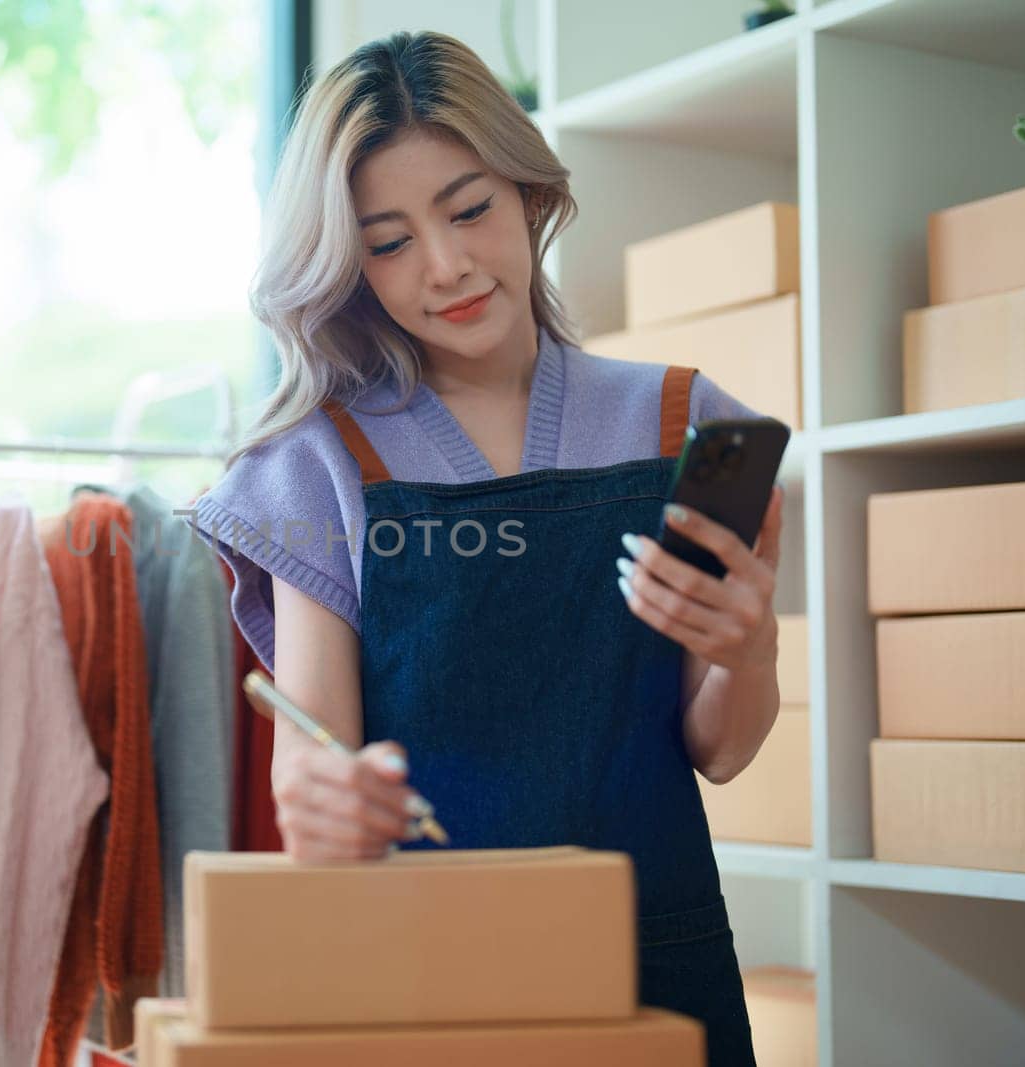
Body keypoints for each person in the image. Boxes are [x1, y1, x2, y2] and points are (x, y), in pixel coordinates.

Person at [186, 30, 782, 1066]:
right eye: (388, 240)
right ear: (347, 266)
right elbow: (308, 782)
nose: (447, 264)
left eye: (469, 210)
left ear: (530, 196)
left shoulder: (681, 424)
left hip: (656, 963)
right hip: (418, 980)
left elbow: (719, 750)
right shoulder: (320, 463)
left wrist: (749, 647)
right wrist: (327, 805)